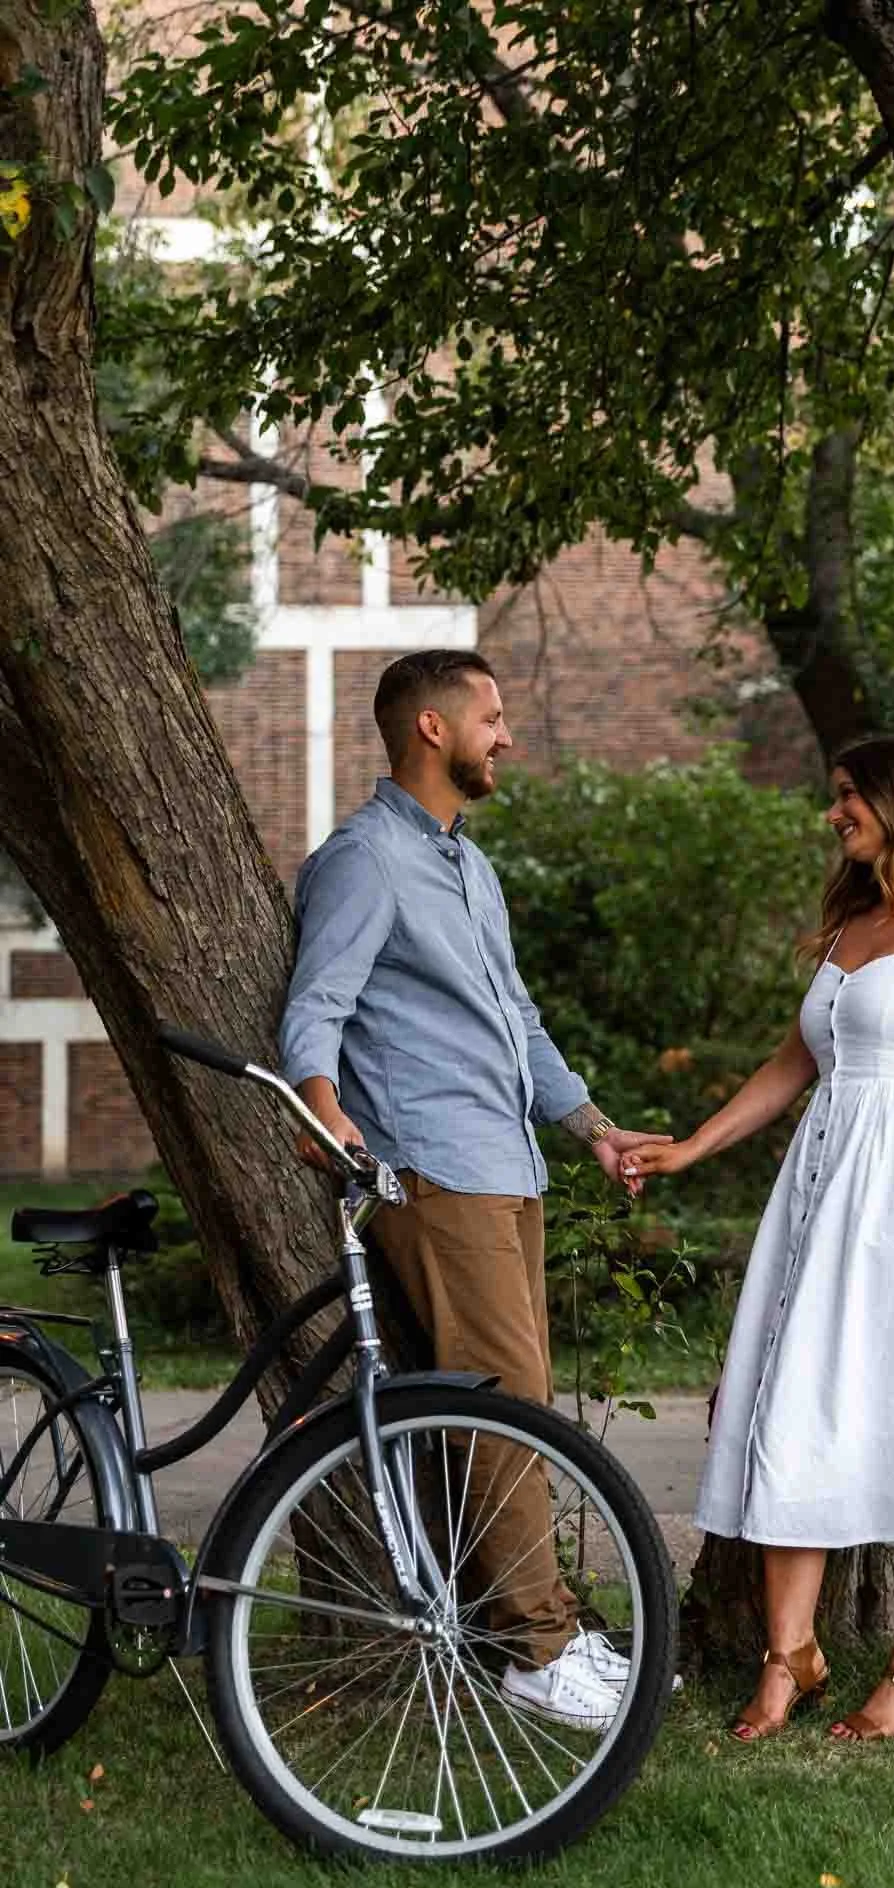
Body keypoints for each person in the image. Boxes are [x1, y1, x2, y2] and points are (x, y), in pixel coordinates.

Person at [278, 647, 671, 1731]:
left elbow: (520, 1021)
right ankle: (539, 1651)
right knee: (505, 1414)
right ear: (432, 728)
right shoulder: (364, 861)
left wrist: (593, 1130)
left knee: (501, 1410)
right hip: (435, 1170)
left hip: (506, 1164)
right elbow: (318, 1003)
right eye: (491, 718)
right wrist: (323, 1104)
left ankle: (520, 1631)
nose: (508, 736)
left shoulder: (469, 868)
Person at [623, 735, 894, 1744]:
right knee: (789, 1397)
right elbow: (793, 1061)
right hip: (821, 1189)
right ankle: (789, 1655)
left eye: (850, 796)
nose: (834, 812)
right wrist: (692, 1145)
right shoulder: (854, 921)